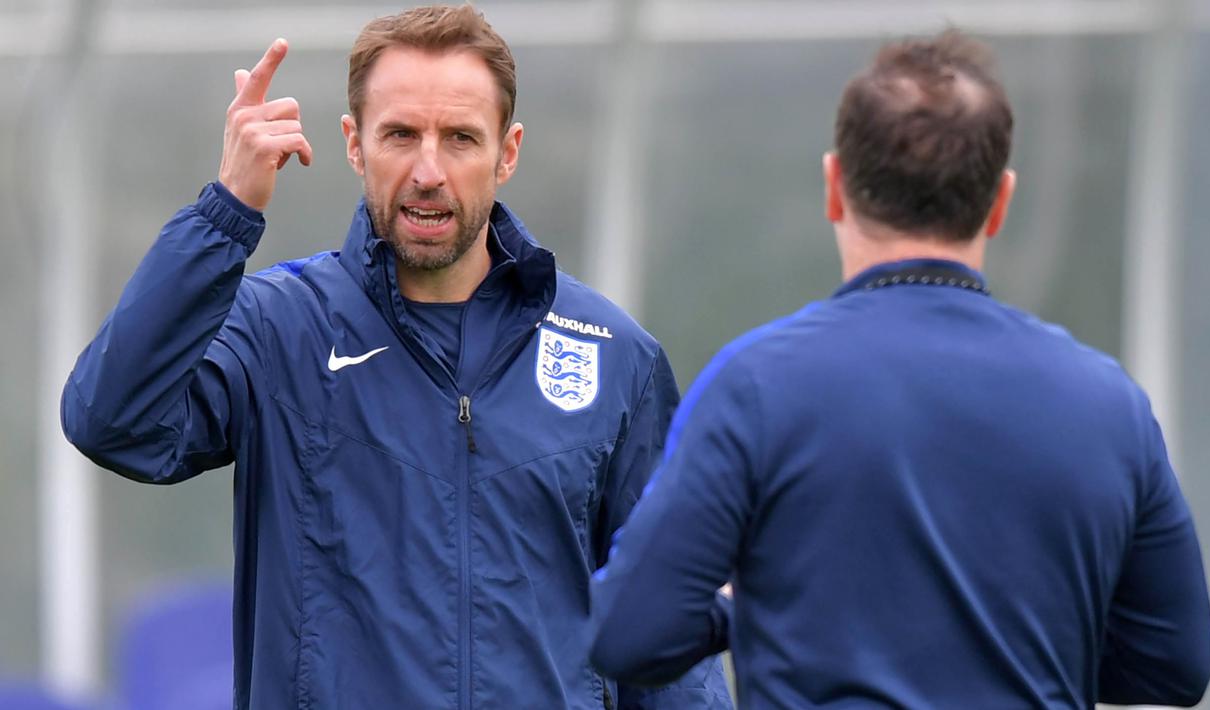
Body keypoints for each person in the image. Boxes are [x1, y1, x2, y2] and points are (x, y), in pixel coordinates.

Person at [61, 5, 731, 709]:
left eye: (461, 138)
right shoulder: (278, 328)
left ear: (507, 151)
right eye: (401, 135)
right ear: (354, 143)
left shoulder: (613, 355)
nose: (428, 170)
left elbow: (665, 630)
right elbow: (113, 423)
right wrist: (225, 214)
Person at [587, 30, 1210, 708]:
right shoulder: (1107, 403)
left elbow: (628, 634)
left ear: (834, 186)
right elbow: (1173, 664)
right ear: (999, 201)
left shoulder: (756, 384)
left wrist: (749, 610)